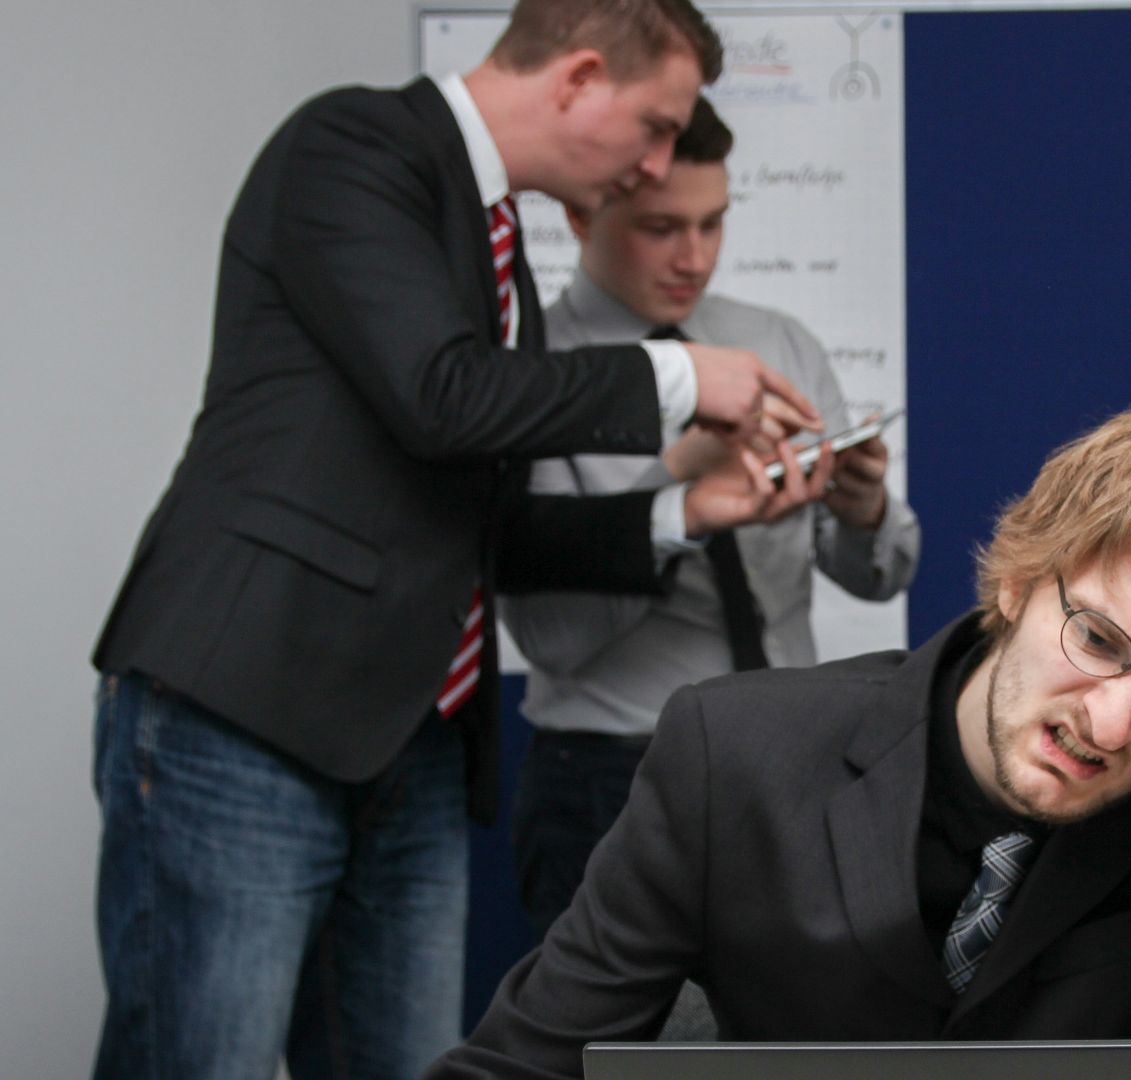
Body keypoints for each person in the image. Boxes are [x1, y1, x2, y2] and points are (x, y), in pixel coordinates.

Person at [85, 2, 824, 1077]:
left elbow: (483, 533)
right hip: (247, 711)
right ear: (577, 80)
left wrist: (682, 513)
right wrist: (680, 376)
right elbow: (442, 397)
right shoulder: (352, 146)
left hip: (413, 745)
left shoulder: (498, 257)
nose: (659, 162)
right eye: (658, 125)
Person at [430, 405, 1131, 1080]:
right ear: (1020, 579)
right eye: (1097, 641)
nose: (1113, 722)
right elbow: (516, 1066)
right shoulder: (734, 753)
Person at [502, 96, 922, 944]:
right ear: (581, 213)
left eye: (713, 223)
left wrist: (861, 505)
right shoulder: (532, 372)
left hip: (796, 762)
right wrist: (679, 492)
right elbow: (550, 639)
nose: (694, 256)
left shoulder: (778, 341)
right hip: (612, 773)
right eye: (661, 227)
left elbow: (882, 573)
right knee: (614, 1059)